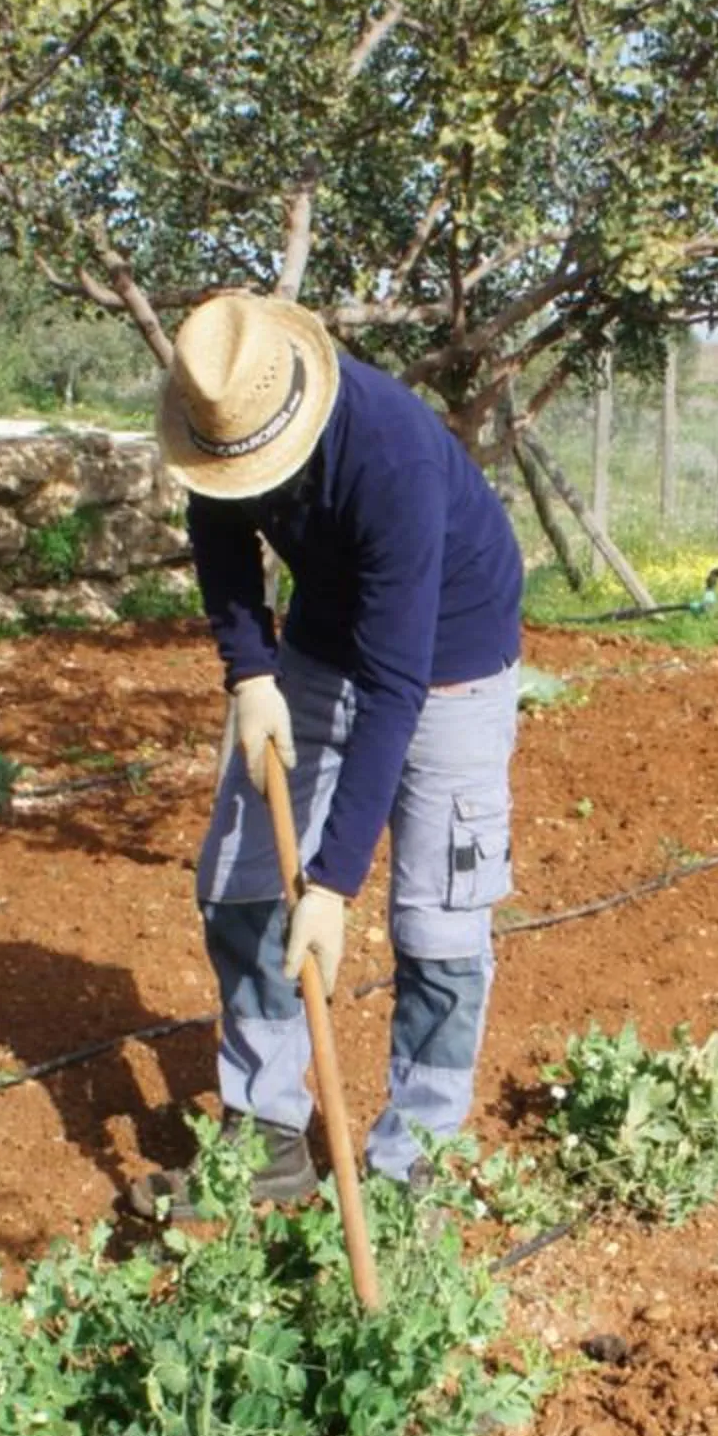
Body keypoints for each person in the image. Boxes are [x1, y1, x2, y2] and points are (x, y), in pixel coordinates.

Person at [145, 289, 524, 1205]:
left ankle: (410, 1166)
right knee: (240, 879)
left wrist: (332, 886)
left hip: (449, 660)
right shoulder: (220, 410)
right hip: (318, 644)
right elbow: (220, 537)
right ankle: (266, 1138)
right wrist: (251, 671)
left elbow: (396, 688)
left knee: (437, 925)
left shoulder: (391, 458)